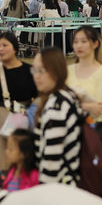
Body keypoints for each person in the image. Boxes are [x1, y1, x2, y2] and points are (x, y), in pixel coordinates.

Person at [0, 32, 37, 171]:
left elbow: (38, 97)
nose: (0, 49)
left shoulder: (30, 71)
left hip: (24, 120)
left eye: (5, 45)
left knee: (23, 158)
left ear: (15, 48)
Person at [32, 48, 83, 185]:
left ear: (56, 72)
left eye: (41, 71)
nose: (36, 76)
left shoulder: (57, 107)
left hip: (59, 189)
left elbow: (51, 161)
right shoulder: (66, 95)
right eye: (34, 70)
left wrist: (44, 192)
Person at [67, 26, 102, 123]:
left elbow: (100, 109)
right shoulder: (68, 70)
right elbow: (61, 102)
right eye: (76, 42)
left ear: (95, 44)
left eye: (84, 41)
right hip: (69, 125)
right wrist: (87, 106)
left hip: (93, 127)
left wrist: (72, 106)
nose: (79, 46)